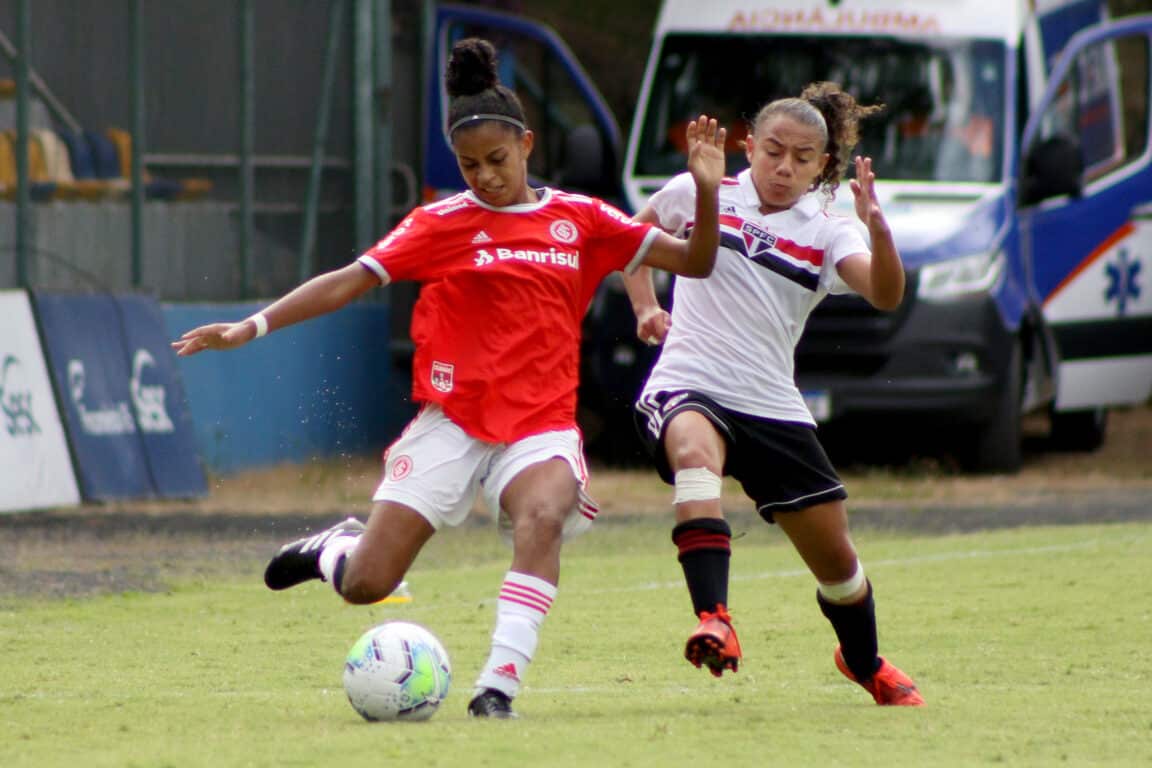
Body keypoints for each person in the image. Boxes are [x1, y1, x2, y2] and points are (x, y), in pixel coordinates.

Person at [172, 37, 727, 720]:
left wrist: (705, 191)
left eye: (497, 160)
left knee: (543, 515)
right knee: (368, 585)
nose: (485, 177)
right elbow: (346, 281)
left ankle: (497, 688)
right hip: (453, 421)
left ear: (526, 144)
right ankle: (332, 550)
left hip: (540, 425)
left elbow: (696, 262)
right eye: (469, 166)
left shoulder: (581, 220)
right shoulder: (440, 222)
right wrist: (249, 327)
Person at [623, 81, 924, 705]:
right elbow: (631, 243)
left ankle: (864, 661)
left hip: (771, 405)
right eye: (772, 151)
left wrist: (881, 232)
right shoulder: (701, 191)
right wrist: (647, 306)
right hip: (690, 381)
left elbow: (886, 294)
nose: (784, 167)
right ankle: (715, 617)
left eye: (803, 157)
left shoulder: (830, 230)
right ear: (748, 147)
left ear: (824, 166)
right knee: (694, 459)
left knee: (839, 569)